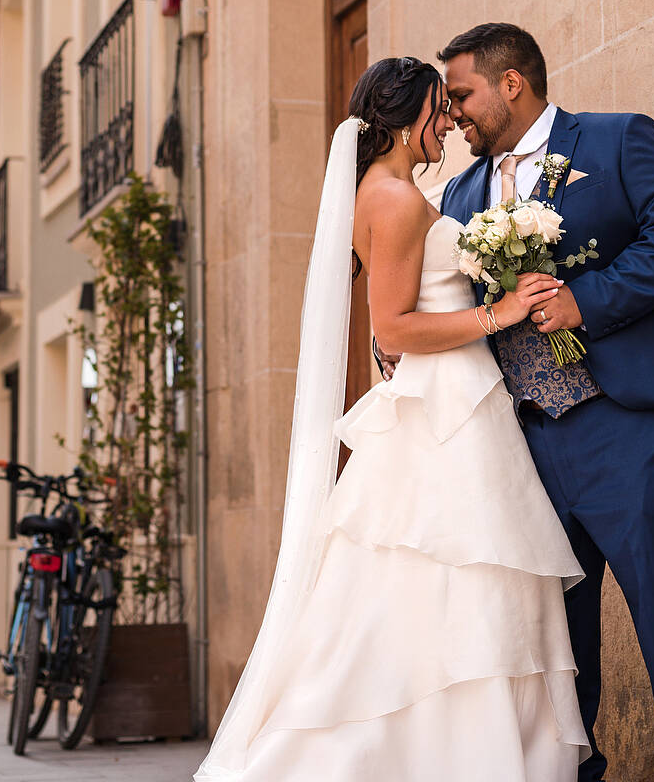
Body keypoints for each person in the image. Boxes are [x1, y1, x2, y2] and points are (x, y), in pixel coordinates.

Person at [196, 57, 589, 781]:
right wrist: (502, 311)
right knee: (461, 573)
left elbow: (392, 331)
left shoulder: (387, 193)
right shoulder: (397, 199)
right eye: (441, 109)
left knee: (447, 580)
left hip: (453, 395)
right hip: (447, 411)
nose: (450, 124)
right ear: (409, 121)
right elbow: (395, 327)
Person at [438, 23, 654, 781]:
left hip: (624, 424)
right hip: (524, 442)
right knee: (554, 640)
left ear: (511, 84)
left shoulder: (616, 139)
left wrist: (588, 301)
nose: (453, 113)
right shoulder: (461, 194)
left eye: (462, 95)